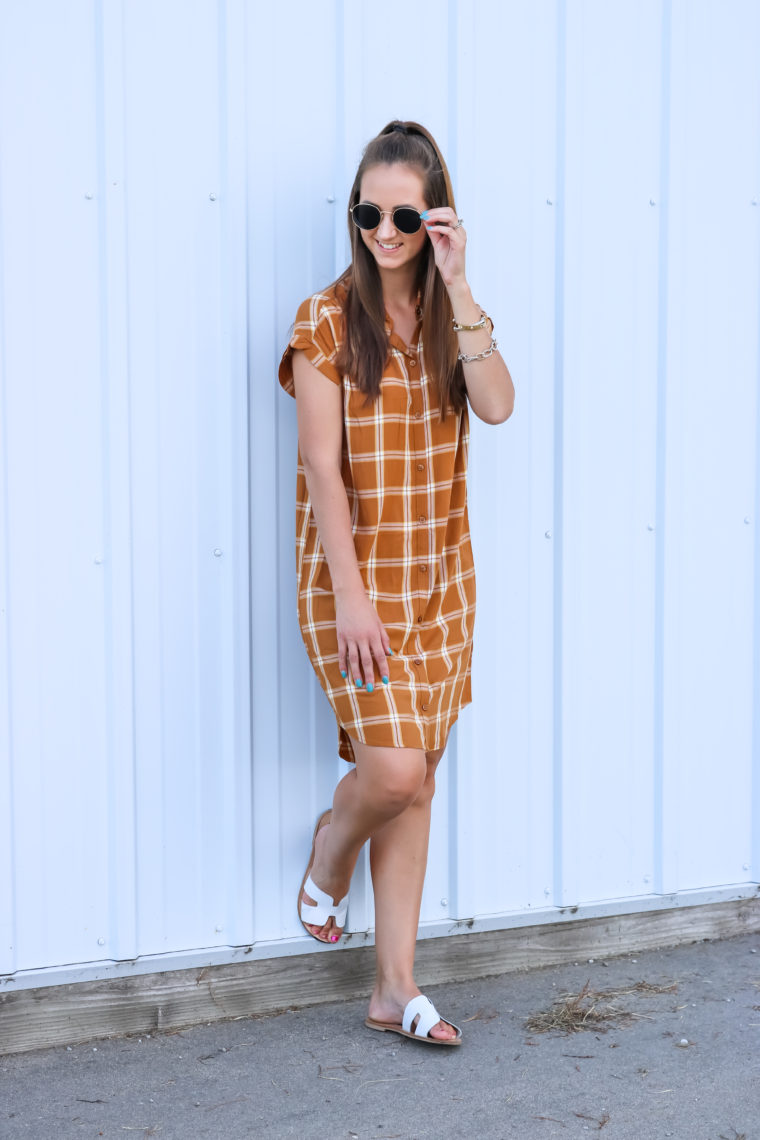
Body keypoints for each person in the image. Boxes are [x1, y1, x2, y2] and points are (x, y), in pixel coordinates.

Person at [278, 120, 514, 1046]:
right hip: (355, 582)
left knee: (416, 784)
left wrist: (459, 284)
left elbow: (496, 405)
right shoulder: (325, 322)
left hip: (439, 578)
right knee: (389, 770)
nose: (384, 229)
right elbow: (322, 472)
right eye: (369, 212)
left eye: (405, 213)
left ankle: (394, 988)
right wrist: (351, 597)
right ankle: (329, 855)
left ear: (436, 216)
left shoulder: (456, 319)